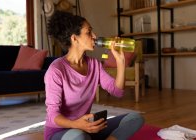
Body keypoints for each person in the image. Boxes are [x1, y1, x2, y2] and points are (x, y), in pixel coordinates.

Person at [44, 10, 144, 140]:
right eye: (89, 32)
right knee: (79, 136)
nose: (95, 36)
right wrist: (77, 125)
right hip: (61, 132)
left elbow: (117, 91)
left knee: (135, 118)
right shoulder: (56, 70)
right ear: (74, 38)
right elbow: (53, 115)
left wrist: (121, 62)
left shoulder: (94, 64)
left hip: (86, 128)